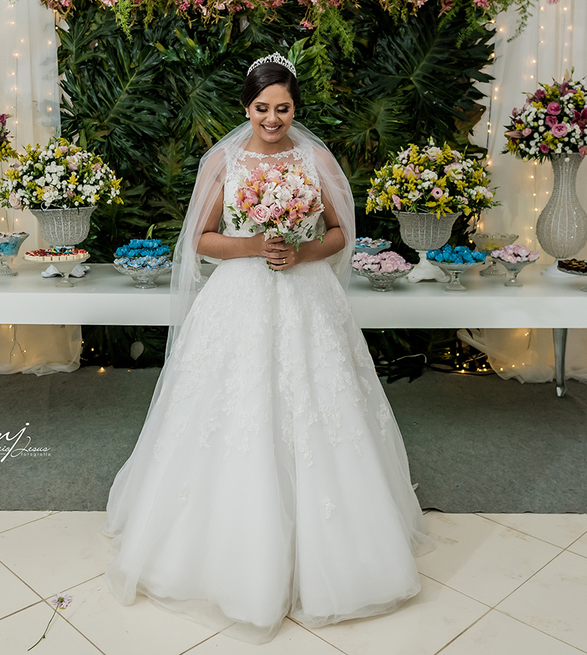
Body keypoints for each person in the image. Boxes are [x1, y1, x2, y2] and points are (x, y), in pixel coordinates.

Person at [99, 52, 434, 644]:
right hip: (240, 298)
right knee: (238, 408)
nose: (272, 119)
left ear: (295, 107)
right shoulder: (223, 161)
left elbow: (340, 232)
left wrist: (301, 252)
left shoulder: (315, 159)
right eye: (261, 108)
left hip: (306, 295)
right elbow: (200, 239)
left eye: (283, 108)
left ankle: (337, 551)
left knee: (318, 406)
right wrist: (256, 246)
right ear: (246, 108)